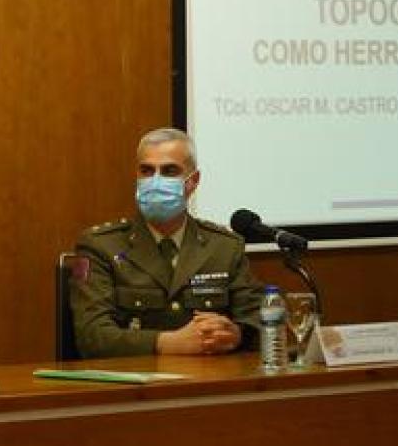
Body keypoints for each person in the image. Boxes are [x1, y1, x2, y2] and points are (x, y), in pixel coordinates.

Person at [71, 128, 264, 357]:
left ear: (193, 181)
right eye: (146, 171)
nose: (155, 181)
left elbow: (261, 320)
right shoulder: (100, 246)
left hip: (208, 375)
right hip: (134, 377)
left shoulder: (223, 247)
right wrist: (166, 343)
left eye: (169, 171)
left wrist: (236, 334)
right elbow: (92, 335)